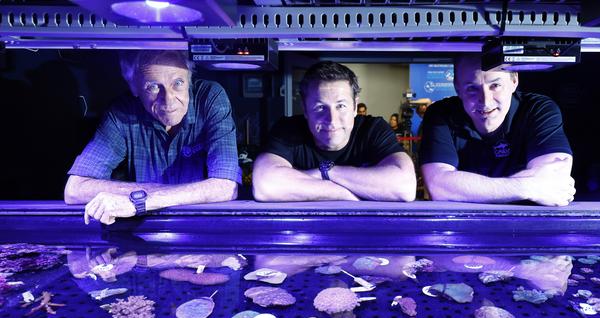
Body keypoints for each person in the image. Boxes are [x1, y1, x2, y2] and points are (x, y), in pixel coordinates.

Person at [64, 50, 241, 224]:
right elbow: (74, 189)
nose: (169, 99)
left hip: (200, 227)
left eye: (178, 82)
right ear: (134, 87)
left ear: (189, 79)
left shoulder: (210, 97)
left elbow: (226, 187)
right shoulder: (121, 113)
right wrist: (184, 194)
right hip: (144, 229)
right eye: (153, 87)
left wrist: (139, 201)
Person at [419, 54, 575, 206]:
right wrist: (528, 187)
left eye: (495, 85)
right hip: (466, 224)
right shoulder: (441, 114)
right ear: (457, 89)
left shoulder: (537, 109)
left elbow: (556, 178)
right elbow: (438, 187)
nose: (485, 100)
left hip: (527, 224)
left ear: (514, 81)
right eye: (472, 88)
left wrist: (463, 187)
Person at [252, 61, 416, 202]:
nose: (332, 119)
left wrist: (327, 172)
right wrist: (349, 193)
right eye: (320, 107)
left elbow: (405, 186)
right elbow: (264, 184)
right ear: (305, 109)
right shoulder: (288, 130)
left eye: (341, 106)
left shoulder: (373, 129)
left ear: (354, 107)